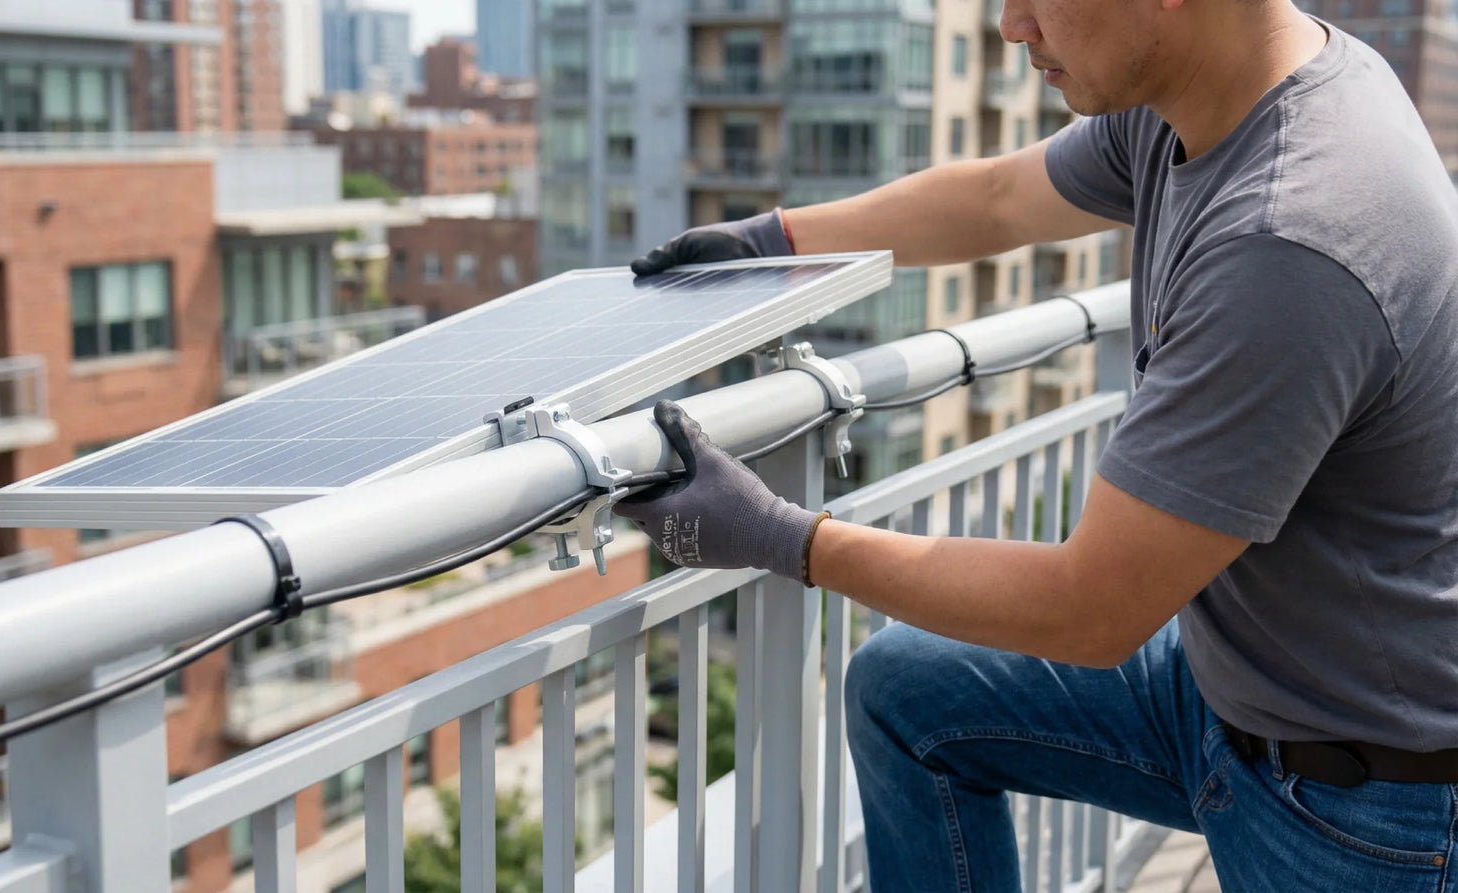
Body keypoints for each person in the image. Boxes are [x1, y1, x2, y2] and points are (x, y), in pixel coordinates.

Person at [617, 0, 1458, 889]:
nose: (1013, 26)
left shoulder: (1291, 236)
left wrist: (778, 537)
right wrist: (775, 241)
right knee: (907, 694)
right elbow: (995, 198)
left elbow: (1089, 611)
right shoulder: (1204, 95)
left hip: (1361, 801)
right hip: (1239, 683)